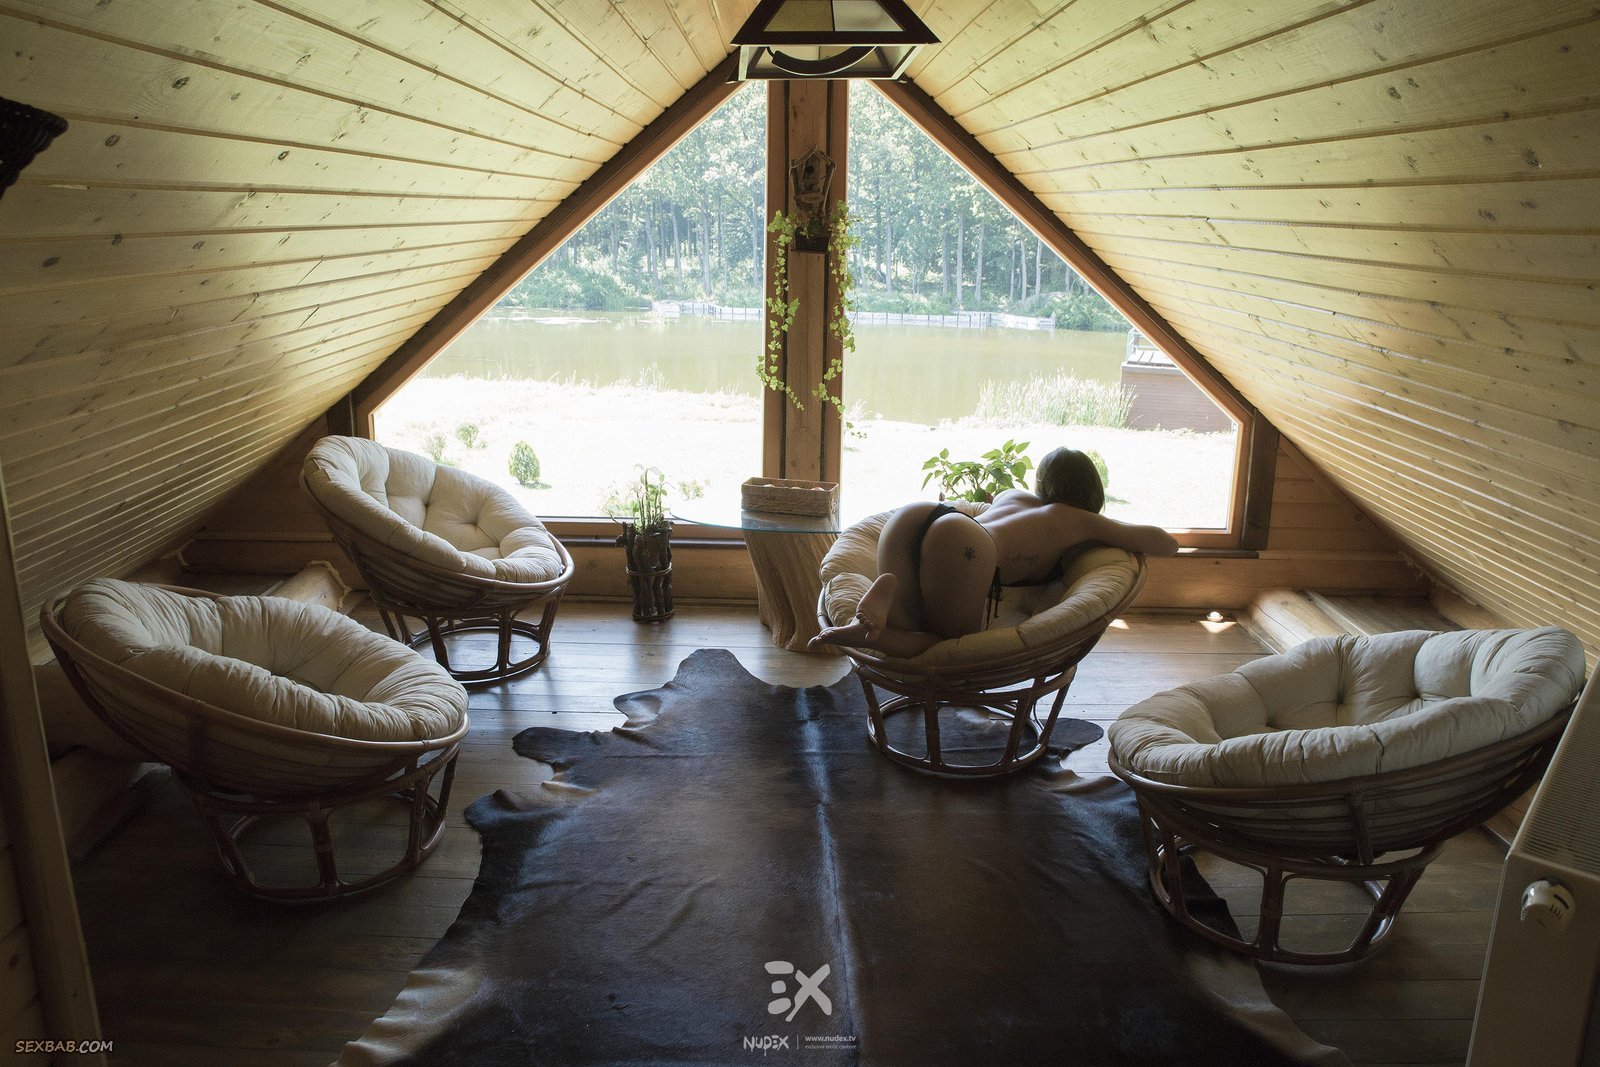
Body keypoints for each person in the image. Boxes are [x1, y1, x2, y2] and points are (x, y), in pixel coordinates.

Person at [809, 448, 1179, 657]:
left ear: (1041, 482)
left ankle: (871, 615)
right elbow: (1165, 543)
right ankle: (871, 633)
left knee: (909, 623)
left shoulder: (1013, 496)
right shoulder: (1078, 519)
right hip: (965, 545)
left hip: (916, 518)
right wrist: (1103, 525)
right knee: (943, 647)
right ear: (1091, 494)